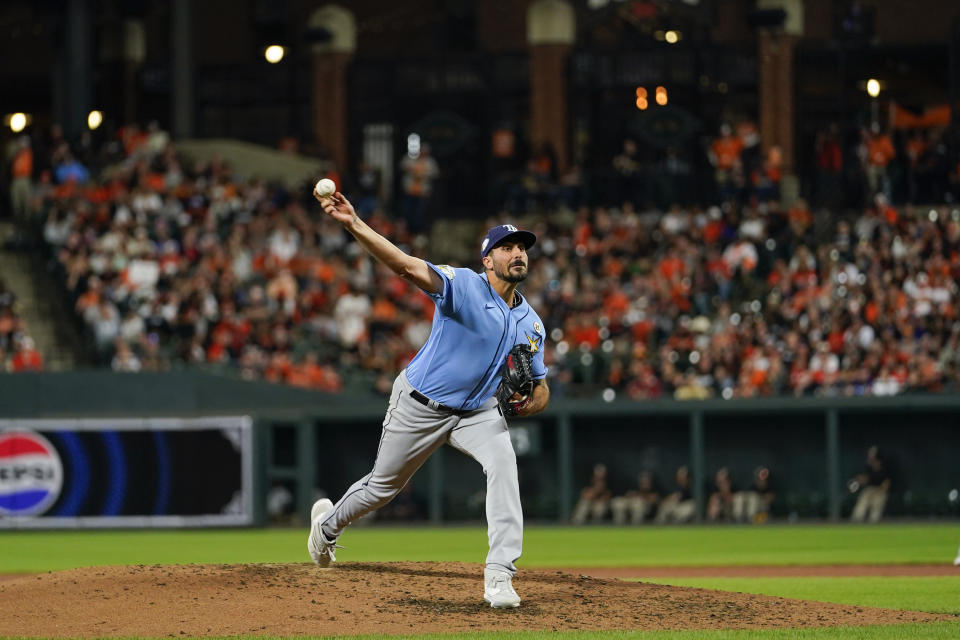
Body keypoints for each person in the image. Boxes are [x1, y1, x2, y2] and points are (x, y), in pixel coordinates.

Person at [306, 188, 550, 610]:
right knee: (382, 488)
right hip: (420, 403)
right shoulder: (464, 286)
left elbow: (541, 385)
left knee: (504, 465)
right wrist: (354, 224)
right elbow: (404, 265)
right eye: (506, 247)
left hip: (477, 411)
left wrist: (534, 401)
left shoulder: (532, 323)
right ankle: (326, 527)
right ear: (487, 259)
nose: (517, 253)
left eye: (522, 247)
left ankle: (499, 577)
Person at [849, 445, 892, 523]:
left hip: (880, 491)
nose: (870, 455)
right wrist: (859, 481)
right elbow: (865, 479)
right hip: (870, 490)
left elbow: (887, 483)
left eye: (872, 454)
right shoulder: (868, 466)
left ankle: (873, 527)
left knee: (876, 511)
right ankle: (855, 525)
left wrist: (881, 490)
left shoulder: (885, 466)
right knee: (860, 510)